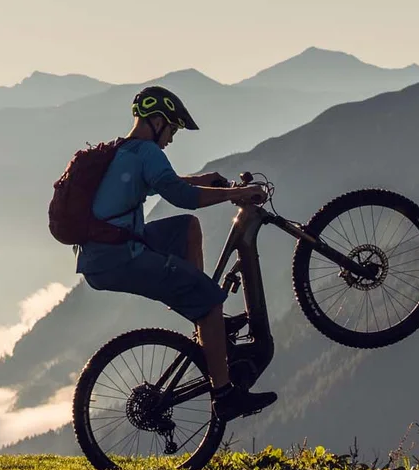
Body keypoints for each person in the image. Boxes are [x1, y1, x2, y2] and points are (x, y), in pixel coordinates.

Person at [76, 85, 278, 419]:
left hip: (105, 252)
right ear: (157, 121)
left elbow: (165, 182)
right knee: (211, 300)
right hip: (120, 256)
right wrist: (238, 193)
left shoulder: (126, 151)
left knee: (186, 229)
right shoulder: (147, 152)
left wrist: (205, 180)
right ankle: (225, 395)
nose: (171, 138)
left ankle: (203, 320)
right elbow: (181, 195)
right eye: (172, 128)